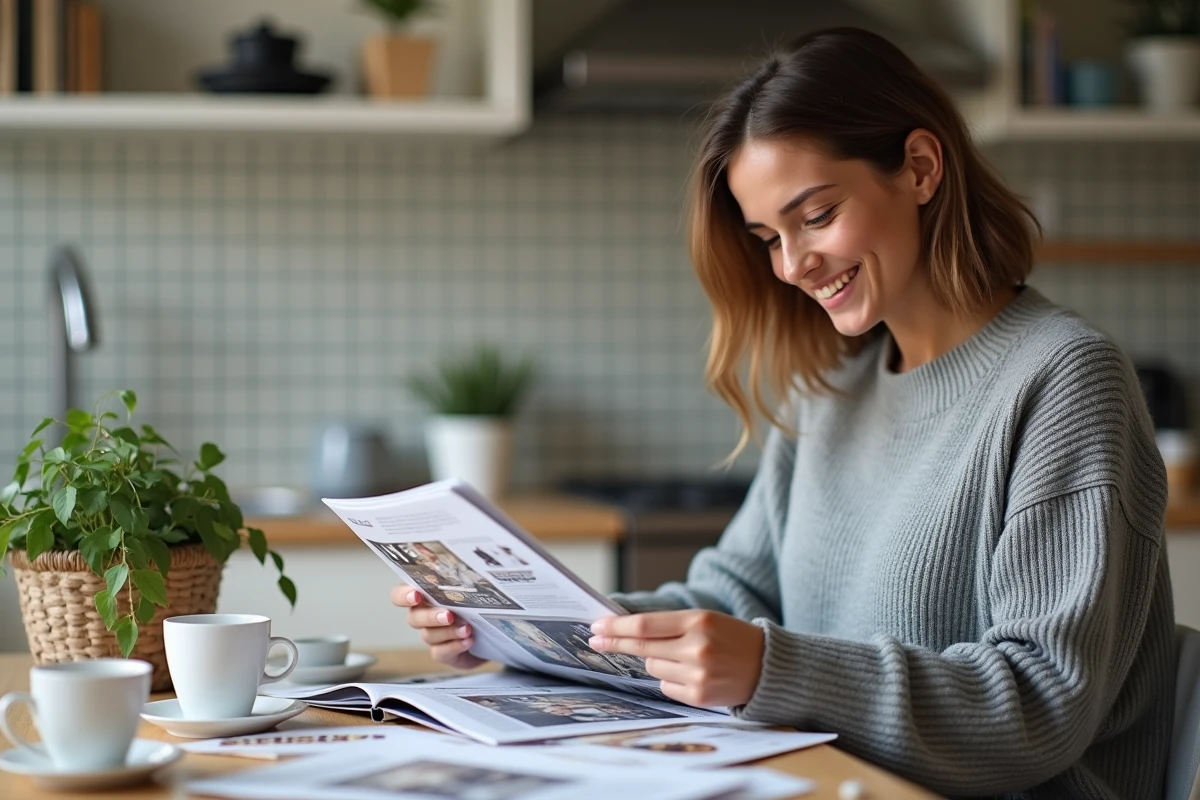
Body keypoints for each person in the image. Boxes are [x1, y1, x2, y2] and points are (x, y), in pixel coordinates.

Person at [393, 26, 1175, 798]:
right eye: (769, 236)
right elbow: (735, 601)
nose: (793, 265)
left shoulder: (1062, 380)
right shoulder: (829, 390)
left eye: (818, 215)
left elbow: (1042, 705)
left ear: (921, 168)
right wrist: (524, 631)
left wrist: (771, 667)